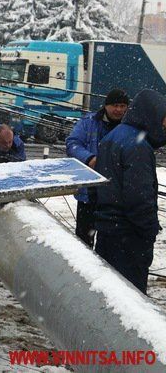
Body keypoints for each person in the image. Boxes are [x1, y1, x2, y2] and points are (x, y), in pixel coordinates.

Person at [94, 89, 166, 294]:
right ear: (150, 115)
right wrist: (149, 230)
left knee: (110, 295)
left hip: (107, 231)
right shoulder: (138, 146)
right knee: (131, 299)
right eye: (163, 120)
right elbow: (138, 197)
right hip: (129, 238)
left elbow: (99, 187)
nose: (164, 126)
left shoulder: (112, 137)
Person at [66, 88, 129, 247]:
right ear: (106, 106)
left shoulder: (129, 127)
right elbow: (72, 143)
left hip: (116, 196)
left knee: (109, 243)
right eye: (115, 105)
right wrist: (90, 159)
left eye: (123, 106)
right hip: (89, 193)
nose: (119, 110)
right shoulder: (89, 123)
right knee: (84, 241)